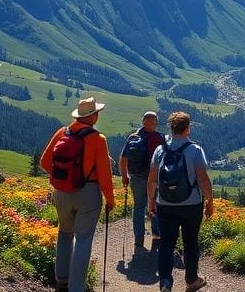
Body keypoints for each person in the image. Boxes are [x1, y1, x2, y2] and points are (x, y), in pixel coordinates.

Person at [41, 96, 116, 292]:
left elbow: (44, 162)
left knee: (64, 233)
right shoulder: (98, 139)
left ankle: (61, 281)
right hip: (88, 193)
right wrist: (110, 198)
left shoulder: (62, 132)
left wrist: (63, 178)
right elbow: (104, 174)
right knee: (83, 239)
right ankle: (77, 288)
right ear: (93, 117)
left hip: (61, 192)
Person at [148, 111, 214, 292]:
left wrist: (151, 201)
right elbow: (202, 177)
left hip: (165, 204)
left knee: (167, 243)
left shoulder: (160, 150)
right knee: (191, 242)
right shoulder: (195, 150)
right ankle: (192, 280)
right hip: (191, 204)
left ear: (171, 128)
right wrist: (209, 200)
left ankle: (165, 284)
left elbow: (152, 178)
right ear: (187, 129)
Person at [119, 110, 164, 248]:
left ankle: (139, 239)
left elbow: (123, 159)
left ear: (143, 121)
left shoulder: (133, 138)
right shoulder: (159, 138)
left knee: (139, 207)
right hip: (154, 179)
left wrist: (124, 175)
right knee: (154, 205)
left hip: (137, 178)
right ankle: (156, 235)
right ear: (155, 123)